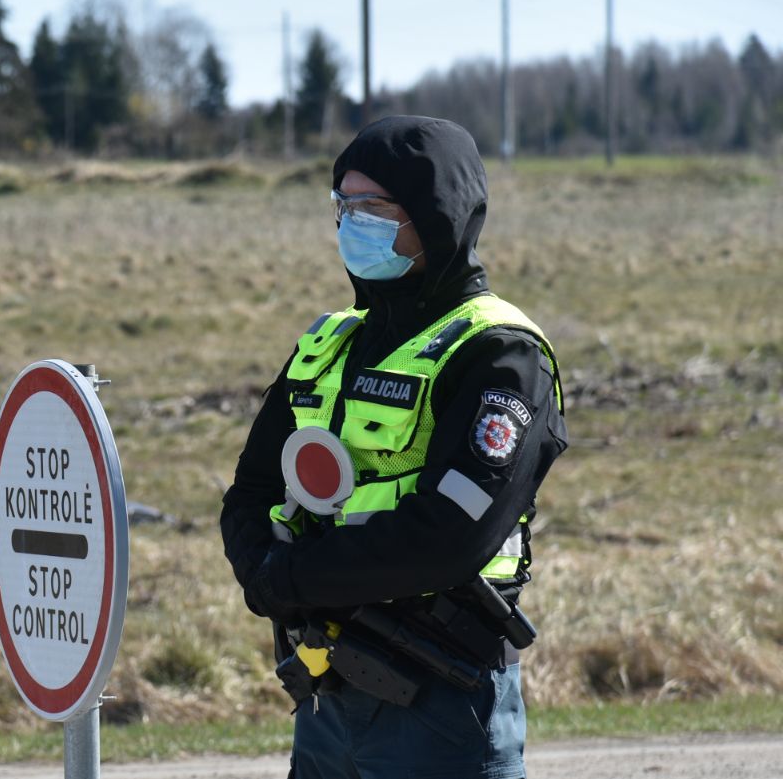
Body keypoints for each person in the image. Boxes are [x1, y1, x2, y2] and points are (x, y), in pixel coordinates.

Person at [221, 116, 568, 779]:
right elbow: (251, 490)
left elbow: (448, 536)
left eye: (371, 207)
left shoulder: (500, 354)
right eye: (342, 206)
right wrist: (263, 575)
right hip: (326, 693)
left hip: (442, 698)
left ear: (433, 216)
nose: (352, 223)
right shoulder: (330, 345)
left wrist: (292, 578)